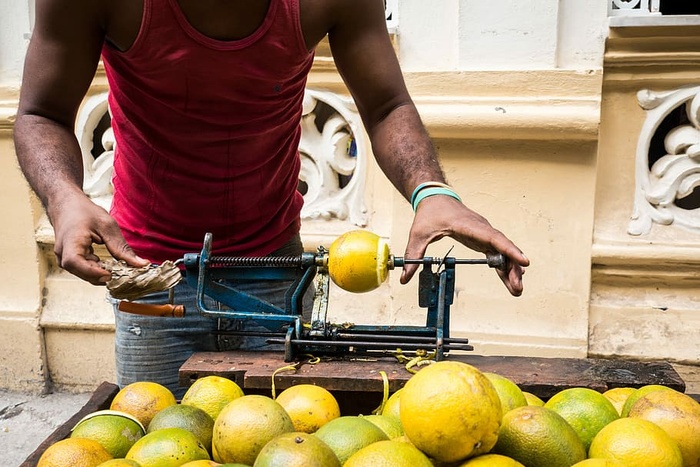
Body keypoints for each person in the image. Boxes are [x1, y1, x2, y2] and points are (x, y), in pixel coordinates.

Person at [14, 0, 529, 396]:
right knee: (156, 443)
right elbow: (41, 113)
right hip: (153, 276)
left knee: (284, 442)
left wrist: (432, 192)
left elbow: (386, 102)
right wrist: (63, 198)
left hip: (275, 270)